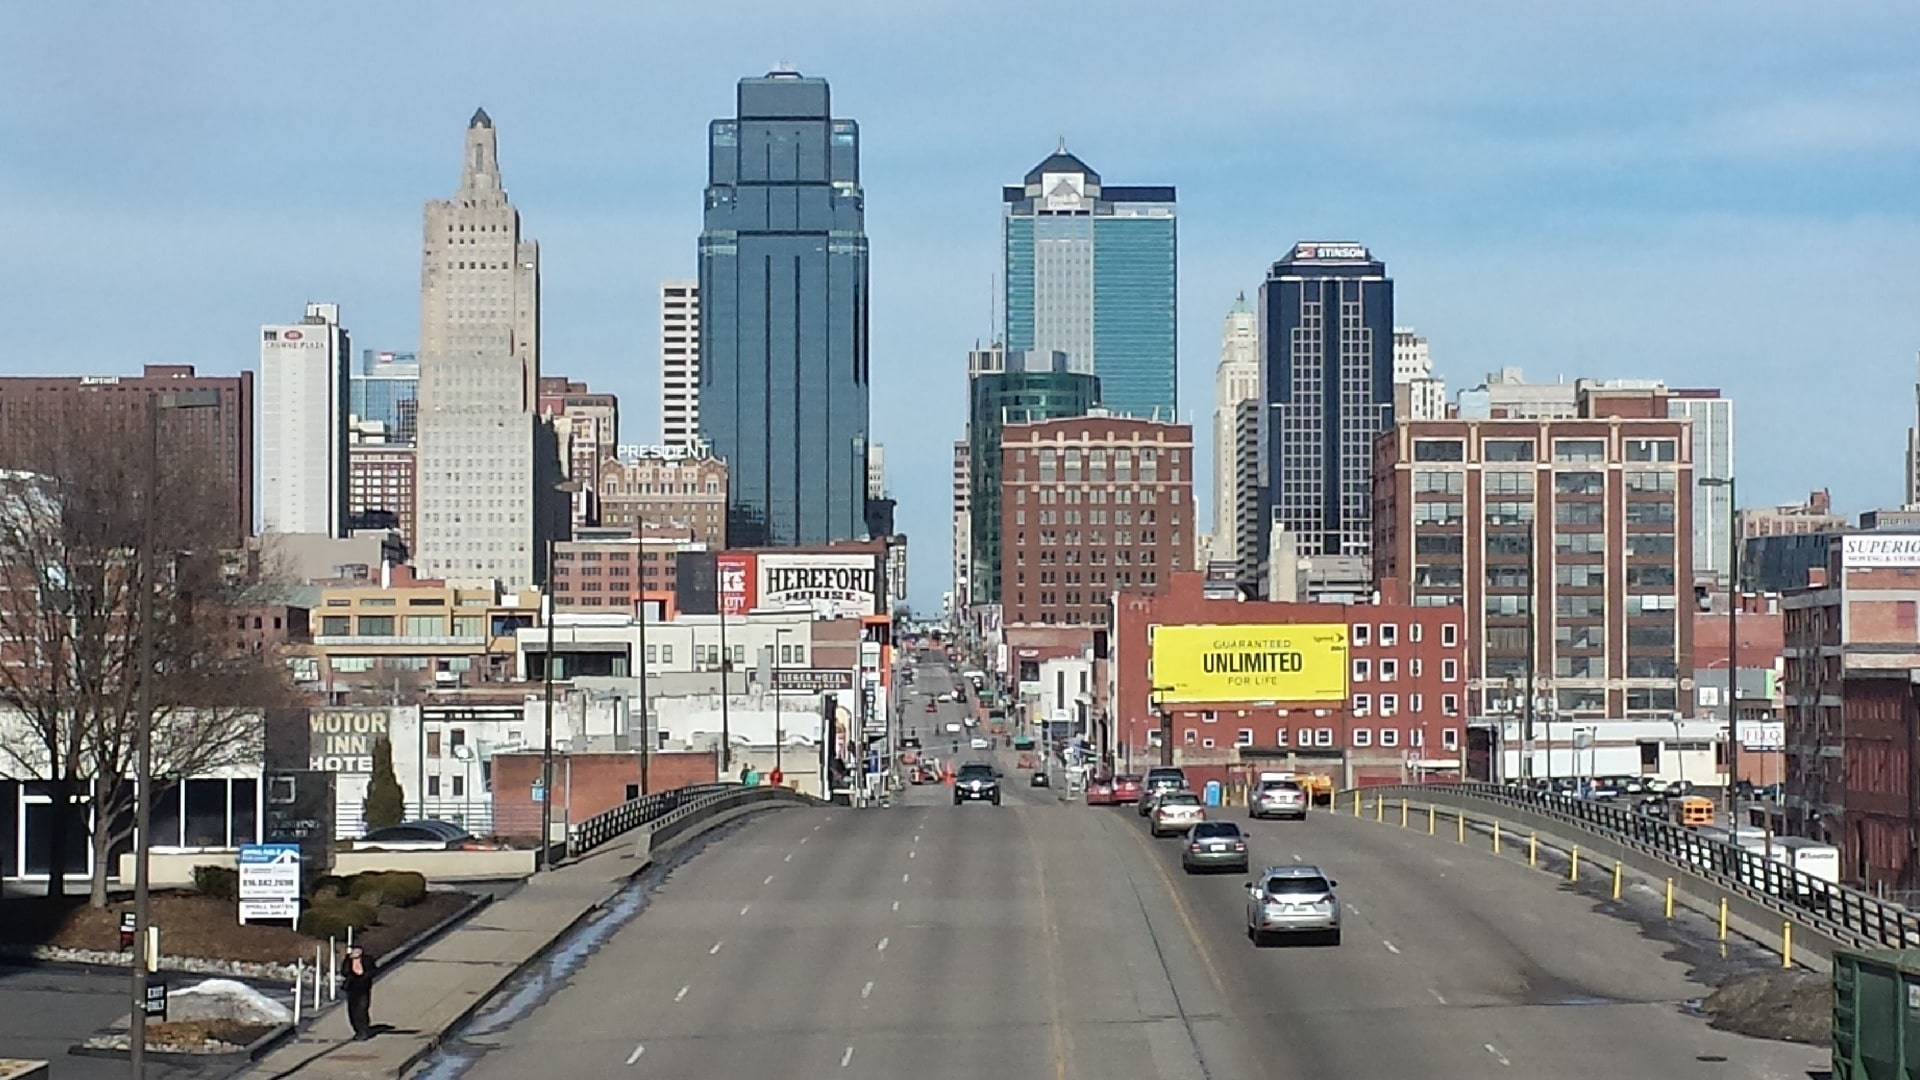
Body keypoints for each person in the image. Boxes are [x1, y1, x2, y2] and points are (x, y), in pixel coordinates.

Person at [341, 944, 377, 1040]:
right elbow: (344, 972)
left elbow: (373, 971)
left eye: (357, 951)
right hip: (352, 988)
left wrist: (365, 976)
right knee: (353, 1011)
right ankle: (357, 1030)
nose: (355, 953)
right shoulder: (348, 961)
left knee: (362, 1009)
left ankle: (363, 1030)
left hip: (363, 988)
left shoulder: (367, 960)